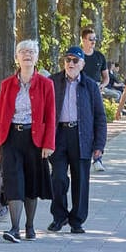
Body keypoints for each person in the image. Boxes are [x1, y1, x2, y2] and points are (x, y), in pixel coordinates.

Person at [0, 39, 55, 243]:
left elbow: (50, 115)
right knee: (13, 181)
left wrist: (48, 144)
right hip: (10, 138)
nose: (27, 55)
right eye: (23, 52)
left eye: (31, 52)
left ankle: (30, 226)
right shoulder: (7, 85)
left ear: (36, 57)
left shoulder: (46, 84)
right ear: (17, 57)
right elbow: (1, 115)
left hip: (34, 138)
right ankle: (14, 228)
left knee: (31, 182)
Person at [47, 46, 106, 233]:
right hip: (58, 135)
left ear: (82, 64)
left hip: (81, 135)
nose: (70, 64)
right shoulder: (53, 82)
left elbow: (99, 116)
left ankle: (77, 220)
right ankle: (59, 216)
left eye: (75, 61)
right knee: (58, 178)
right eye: (67, 60)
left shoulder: (90, 86)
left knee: (81, 180)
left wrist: (99, 145)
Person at [76, 26, 112, 171]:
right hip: (81, 93)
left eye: (95, 39)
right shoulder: (77, 56)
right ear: (83, 40)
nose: (93, 42)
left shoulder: (99, 57)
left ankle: (97, 157)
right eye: (90, 39)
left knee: (98, 121)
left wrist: (102, 86)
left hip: (96, 92)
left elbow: (106, 77)